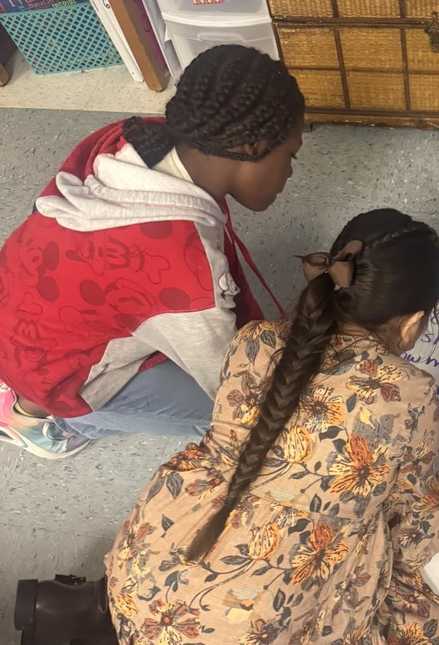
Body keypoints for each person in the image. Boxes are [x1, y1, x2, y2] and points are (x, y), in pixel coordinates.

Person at [15, 209, 439, 645]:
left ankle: (92, 623)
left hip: (139, 569)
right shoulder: (408, 392)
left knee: (230, 569)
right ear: (413, 323)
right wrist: (398, 568)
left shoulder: (256, 339)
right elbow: (414, 518)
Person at [0, 45, 304, 459]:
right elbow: (232, 386)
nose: (289, 173)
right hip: (59, 377)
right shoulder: (187, 281)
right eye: (290, 156)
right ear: (254, 146)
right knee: (253, 420)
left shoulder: (132, 137)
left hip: (18, 307)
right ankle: (44, 417)